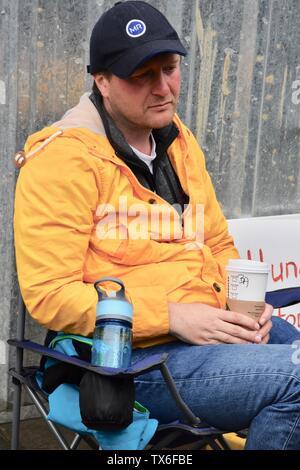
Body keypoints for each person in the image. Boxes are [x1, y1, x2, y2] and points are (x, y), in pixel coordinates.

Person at [14, 1, 300, 450]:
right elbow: (49, 296)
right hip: (125, 364)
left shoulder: (177, 140)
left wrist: (246, 305)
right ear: (102, 80)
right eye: (141, 76)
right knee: (296, 385)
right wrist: (172, 317)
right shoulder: (62, 160)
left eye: (169, 68)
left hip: (209, 328)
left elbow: (218, 241)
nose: (163, 88)